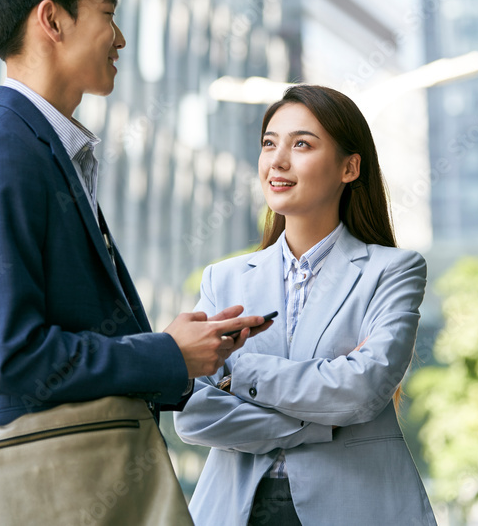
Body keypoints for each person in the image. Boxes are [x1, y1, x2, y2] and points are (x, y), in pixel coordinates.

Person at [0, 0, 268, 523]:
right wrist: (163, 353)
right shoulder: (2, 150)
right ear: (52, 21)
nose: (118, 36)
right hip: (33, 490)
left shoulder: (44, 149)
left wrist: (181, 353)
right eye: (106, 13)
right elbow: (11, 356)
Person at [174, 85, 437, 526]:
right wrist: (316, 423)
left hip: (357, 507)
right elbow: (193, 413)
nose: (278, 161)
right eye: (269, 143)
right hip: (236, 509)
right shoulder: (224, 278)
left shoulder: (393, 271)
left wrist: (236, 374)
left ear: (350, 167)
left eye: (301, 144)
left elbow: (362, 390)